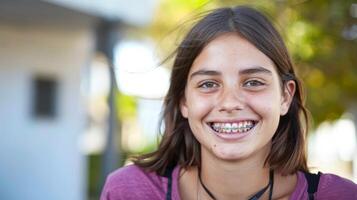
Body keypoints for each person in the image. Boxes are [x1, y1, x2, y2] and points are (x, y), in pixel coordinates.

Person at [100, 6, 357, 200]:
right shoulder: (130, 191)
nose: (230, 103)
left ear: (285, 97)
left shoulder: (341, 196)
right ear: (184, 101)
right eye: (208, 84)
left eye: (253, 82)